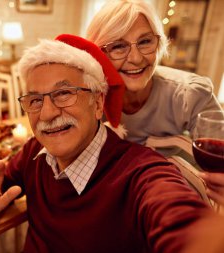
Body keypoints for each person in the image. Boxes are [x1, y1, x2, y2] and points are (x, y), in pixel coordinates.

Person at [0, 34, 224, 253]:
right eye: (35, 100)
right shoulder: (33, 153)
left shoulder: (140, 173)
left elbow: (177, 216)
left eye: (64, 94)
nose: (47, 113)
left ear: (97, 104)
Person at [85, 0, 224, 206]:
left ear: (159, 44)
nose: (136, 58)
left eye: (144, 42)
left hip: (171, 199)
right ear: (98, 54)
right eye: (118, 46)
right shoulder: (90, 99)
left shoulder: (189, 93)